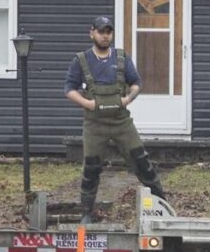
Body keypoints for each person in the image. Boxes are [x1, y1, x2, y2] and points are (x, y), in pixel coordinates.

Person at [64, 16, 167, 224]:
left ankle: (162, 204)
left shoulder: (121, 58)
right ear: (91, 32)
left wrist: (128, 98)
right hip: (94, 124)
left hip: (122, 122)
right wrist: (88, 104)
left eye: (108, 32)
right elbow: (69, 90)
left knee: (141, 161)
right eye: (101, 31)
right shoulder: (81, 60)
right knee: (91, 167)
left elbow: (136, 83)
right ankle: (86, 213)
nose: (105, 36)